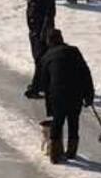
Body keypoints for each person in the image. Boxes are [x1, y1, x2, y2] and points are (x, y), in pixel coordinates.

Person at [28, 29, 94, 163]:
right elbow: (85, 74)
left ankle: (55, 154)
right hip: (76, 93)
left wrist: (34, 90)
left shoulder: (47, 56)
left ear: (49, 41)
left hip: (57, 95)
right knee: (73, 122)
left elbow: (41, 79)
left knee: (57, 123)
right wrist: (89, 95)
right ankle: (71, 152)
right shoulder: (74, 51)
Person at [26, 0, 58, 70]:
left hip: (42, 29)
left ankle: (43, 80)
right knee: (37, 56)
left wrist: (45, 30)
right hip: (34, 29)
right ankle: (39, 79)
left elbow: (50, 12)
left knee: (42, 56)